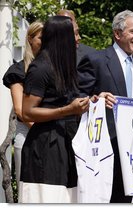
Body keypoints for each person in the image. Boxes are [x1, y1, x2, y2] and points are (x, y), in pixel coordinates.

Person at [77, 10, 133, 203]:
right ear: (117, 33)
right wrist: (95, 99)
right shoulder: (96, 60)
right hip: (101, 149)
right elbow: (76, 97)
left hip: (131, 150)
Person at [18, 16, 90, 203]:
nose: (78, 38)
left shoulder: (64, 66)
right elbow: (27, 111)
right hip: (46, 149)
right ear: (62, 38)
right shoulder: (40, 68)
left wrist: (93, 100)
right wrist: (67, 110)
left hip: (67, 143)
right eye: (74, 33)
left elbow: (67, 101)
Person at [2, 21, 43, 189]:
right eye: (41, 38)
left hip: (50, 135)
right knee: (26, 188)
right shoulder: (18, 70)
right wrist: (44, 131)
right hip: (27, 134)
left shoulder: (53, 68)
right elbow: (20, 110)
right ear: (30, 39)